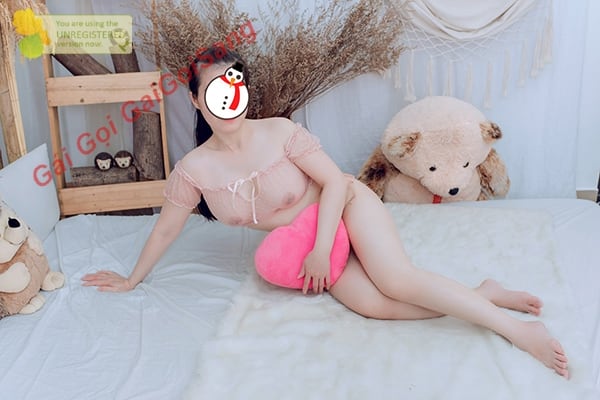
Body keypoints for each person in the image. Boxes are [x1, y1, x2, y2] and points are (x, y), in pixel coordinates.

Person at [82, 47, 569, 379]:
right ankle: (483, 293)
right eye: (213, 92)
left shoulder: (278, 131)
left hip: (345, 209)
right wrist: (131, 279)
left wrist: (320, 250)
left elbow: (335, 182)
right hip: (307, 244)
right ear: (195, 99)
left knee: (397, 281)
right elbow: (165, 230)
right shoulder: (194, 169)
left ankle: (516, 330)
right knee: (377, 307)